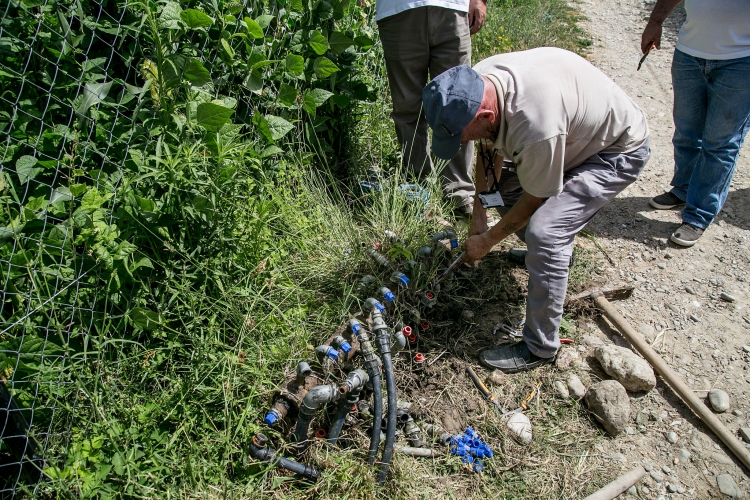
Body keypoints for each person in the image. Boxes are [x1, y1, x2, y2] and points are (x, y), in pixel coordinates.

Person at [422, 48, 650, 373]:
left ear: (486, 116)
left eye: (459, 137)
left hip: (614, 150)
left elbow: (534, 200)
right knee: (501, 191)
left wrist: (488, 241)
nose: (459, 143)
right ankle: (550, 260)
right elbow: (489, 152)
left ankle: (540, 346)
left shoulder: (534, 125)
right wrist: (479, 217)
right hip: (572, 136)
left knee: (546, 231)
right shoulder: (478, 83)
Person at [643, 0, 750, 247]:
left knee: (720, 143)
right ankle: (683, 189)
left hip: (741, 62)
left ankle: (698, 215)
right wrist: (655, 21)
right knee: (687, 133)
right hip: (688, 54)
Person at [376, 0, 487, 215]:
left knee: (458, 103)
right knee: (408, 107)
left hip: (452, 6)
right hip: (398, 8)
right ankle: (419, 190)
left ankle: (459, 192)